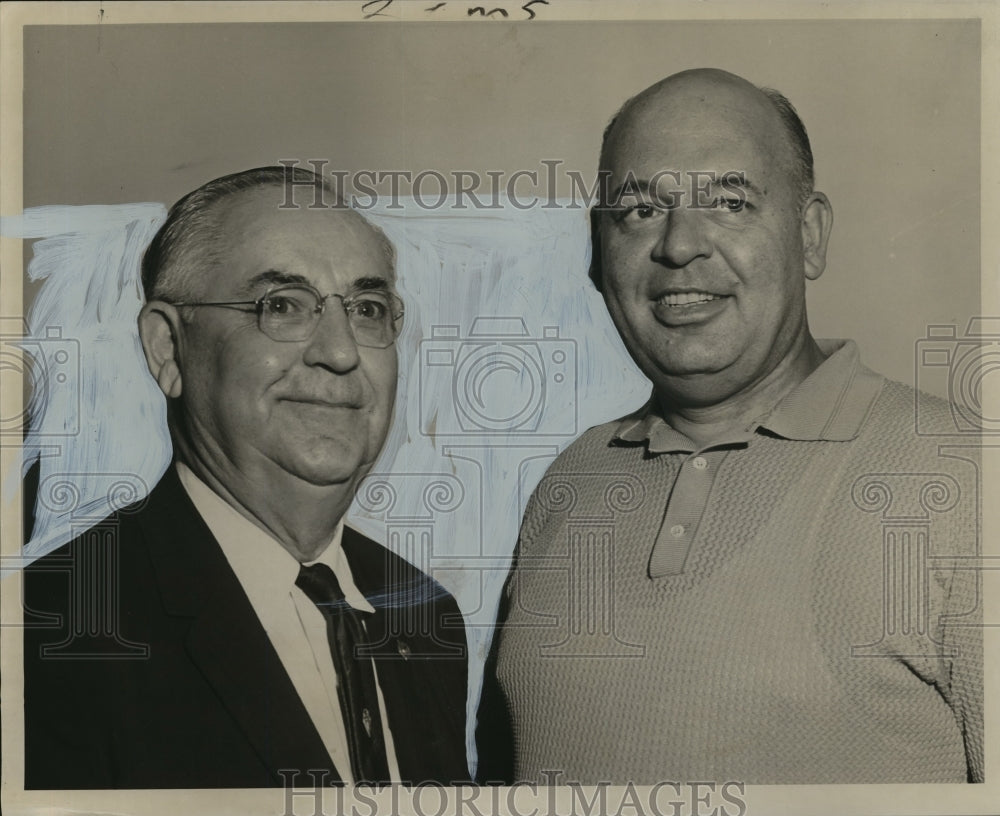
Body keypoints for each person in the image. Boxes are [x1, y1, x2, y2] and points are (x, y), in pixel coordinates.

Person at [477, 69, 982, 785]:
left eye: (729, 202)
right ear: (597, 251)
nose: (680, 246)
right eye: (639, 212)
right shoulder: (572, 480)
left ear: (809, 234)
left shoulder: (963, 475)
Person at [23, 166, 469, 789]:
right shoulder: (49, 632)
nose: (340, 352)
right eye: (282, 305)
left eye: (368, 309)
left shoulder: (423, 618)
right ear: (167, 349)